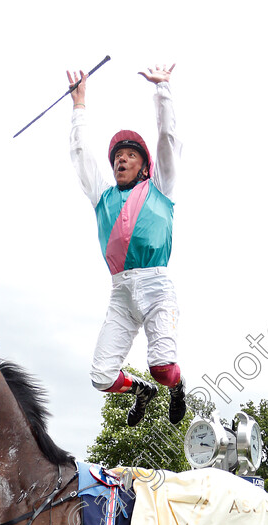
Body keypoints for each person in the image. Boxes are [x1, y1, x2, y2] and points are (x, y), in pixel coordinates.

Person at [67, 62, 186, 427]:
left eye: (131, 155)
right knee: (101, 376)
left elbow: (168, 139)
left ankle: (176, 388)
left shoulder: (160, 186)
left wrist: (162, 90)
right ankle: (141, 391)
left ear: (144, 166)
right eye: (118, 156)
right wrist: (79, 105)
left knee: (163, 369)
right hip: (120, 292)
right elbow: (82, 153)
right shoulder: (102, 195)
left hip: (155, 284)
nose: (122, 158)